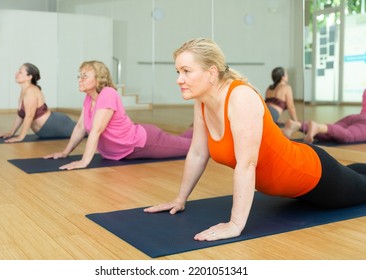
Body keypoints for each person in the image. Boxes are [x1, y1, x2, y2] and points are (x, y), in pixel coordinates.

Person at [144, 38, 366, 242]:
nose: (179, 79)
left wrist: (235, 224)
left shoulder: (240, 97)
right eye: (177, 71)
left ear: (211, 73)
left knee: (359, 185)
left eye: (186, 71)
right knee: (355, 173)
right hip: (297, 186)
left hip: (313, 175)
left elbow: (247, 163)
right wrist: (179, 199)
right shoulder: (202, 101)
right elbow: (198, 153)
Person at [44, 60, 192, 170]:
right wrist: (65, 152)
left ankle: (206, 128)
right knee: (183, 140)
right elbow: (80, 127)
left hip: (142, 143)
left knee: (192, 148)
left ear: (98, 79)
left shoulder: (108, 93)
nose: (79, 79)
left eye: (85, 76)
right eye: (79, 76)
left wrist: (84, 161)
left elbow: (96, 130)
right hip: (122, 152)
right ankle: (197, 128)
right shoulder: (89, 97)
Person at [0, 63, 76, 143]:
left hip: (56, 124)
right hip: (46, 130)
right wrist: (11, 133)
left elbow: (29, 116)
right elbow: (21, 115)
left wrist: (21, 137)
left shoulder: (31, 91)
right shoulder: (24, 90)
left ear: (29, 77)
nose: (16, 73)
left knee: (85, 130)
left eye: (20, 72)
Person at [282, 89, 366, 144]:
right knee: (347, 135)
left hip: (355, 117)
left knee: (330, 133)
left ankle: (298, 125)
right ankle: (317, 127)